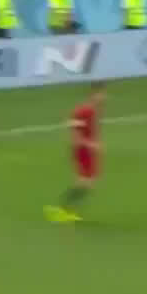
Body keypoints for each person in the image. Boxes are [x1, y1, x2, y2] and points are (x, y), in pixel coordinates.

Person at [47, 82, 106, 223]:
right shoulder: (84, 110)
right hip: (82, 150)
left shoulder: (93, 110)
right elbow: (74, 130)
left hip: (86, 150)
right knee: (85, 182)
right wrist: (89, 144)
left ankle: (66, 210)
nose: (103, 97)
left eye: (103, 94)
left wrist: (94, 144)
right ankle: (61, 209)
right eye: (101, 94)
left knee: (88, 183)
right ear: (93, 94)